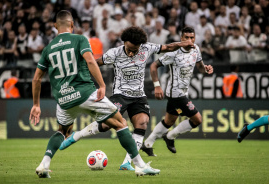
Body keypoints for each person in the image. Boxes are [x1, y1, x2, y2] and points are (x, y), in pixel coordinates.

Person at [30, 10, 160, 178]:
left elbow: (36, 79)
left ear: (55, 26)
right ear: (72, 25)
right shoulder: (80, 39)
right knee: (120, 123)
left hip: (63, 99)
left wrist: (36, 104)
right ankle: (140, 166)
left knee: (62, 131)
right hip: (85, 92)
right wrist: (102, 84)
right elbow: (91, 61)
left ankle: (44, 164)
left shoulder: (48, 49)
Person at [59, 26, 194, 170]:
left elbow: (167, 47)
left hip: (139, 96)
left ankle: (126, 163)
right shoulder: (114, 53)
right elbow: (94, 64)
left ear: (140, 46)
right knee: (106, 124)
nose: (130, 53)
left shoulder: (147, 48)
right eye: (128, 49)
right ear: (124, 42)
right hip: (120, 95)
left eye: (134, 51)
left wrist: (182, 44)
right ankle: (76, 136)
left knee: (142, 123)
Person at [141, 26, 213, 156]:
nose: (190, 40)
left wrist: (206, 69)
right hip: (176, 93)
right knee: (197, 120)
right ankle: (170, 136)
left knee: (169, 121)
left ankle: (148, 143)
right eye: (187, 38)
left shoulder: (196, 49)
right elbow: (153, 66)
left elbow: (200, 68)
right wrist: (157, 86)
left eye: (192, 37)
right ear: (181, 38)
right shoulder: (174, 53)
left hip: (183, 92)